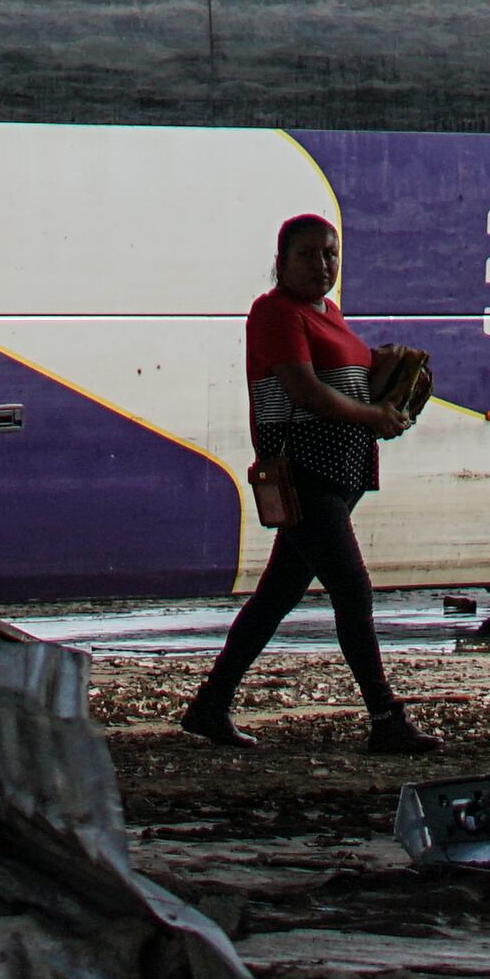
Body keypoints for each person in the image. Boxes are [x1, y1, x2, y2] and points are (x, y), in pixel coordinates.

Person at [187, 211, 430, 753]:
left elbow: (345, 381)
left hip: (337, 473)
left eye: (330, 253)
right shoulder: (274, 313)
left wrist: (384, 375)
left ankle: (210, 705)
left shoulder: (330, 313)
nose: (322, 265)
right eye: (308, 255)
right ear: (281, 262)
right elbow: (306, 393)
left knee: (276, 596)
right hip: (304, 474)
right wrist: (375, 417)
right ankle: (386, 717)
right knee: (352, 589)